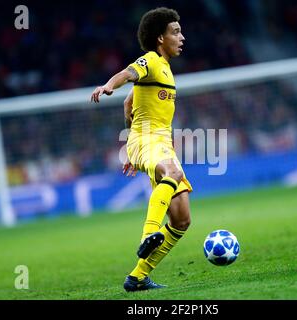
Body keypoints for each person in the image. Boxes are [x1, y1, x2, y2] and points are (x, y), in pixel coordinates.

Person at [91, 7, 192, 292]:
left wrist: (131, 150)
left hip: (159, 144)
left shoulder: (166, 69)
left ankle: (137, 277)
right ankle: (148, 235)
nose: (182, 37)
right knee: (171, 171)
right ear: (160, 38)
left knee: (182, 219)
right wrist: (109, 85)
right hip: (147, 140)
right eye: (176, 32)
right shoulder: (150, 60)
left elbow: (128, 104)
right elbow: (127, 73)